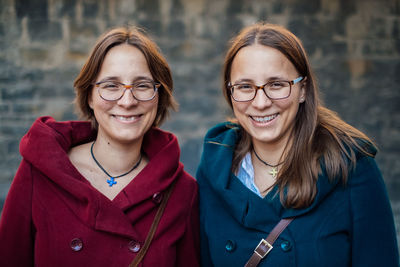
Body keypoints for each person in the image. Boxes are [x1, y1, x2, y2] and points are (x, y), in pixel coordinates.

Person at [197, 22, 399, 266]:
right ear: (230, 93)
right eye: (245, 87)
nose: (260, 102)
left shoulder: (350, 167)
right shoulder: (215, 168)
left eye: (276, 85)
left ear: (302, 90)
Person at [0, 26, 199, 266]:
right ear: (90, 96)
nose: (127, 101)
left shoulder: (182, 192)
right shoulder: (39, 172)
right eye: (111, 86)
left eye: (143, 85)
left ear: (159, 96)